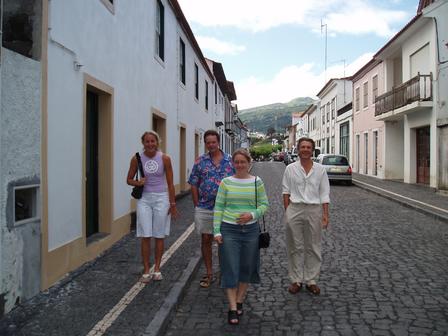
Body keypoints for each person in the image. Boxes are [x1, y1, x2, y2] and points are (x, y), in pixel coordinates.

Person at [213, 149, 269, 325]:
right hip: (229, 230)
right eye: (236, 162)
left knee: (247, 266)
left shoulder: (256, 182)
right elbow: (219, 207)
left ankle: (239, 300)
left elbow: (264, 205)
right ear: (233, 164)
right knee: (230, 267)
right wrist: (217, 231)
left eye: (242, 162)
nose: (239, 165)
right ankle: (231, 308)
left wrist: (251, 215)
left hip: (251, 231)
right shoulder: (226, 182)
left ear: (248, 162)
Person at [126, 131, 178, 283]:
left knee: (159, 234)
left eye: (152, 141)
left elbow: (170, 183)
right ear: (143, 143)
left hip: (162, 198)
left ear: (157, 142)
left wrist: (173, 203)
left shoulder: (165, 158)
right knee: (145, 235)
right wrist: (138, 183)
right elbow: (128, 179)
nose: (150, 144)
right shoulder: (137, 158)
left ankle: (157, 269)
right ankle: (146, 270)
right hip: (144, 199)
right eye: (147, 141)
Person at [282, 137, 330, 295]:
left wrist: (325, 215)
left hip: (314, 209)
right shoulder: (290, 168)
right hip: (294, 209)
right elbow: (286, 192)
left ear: (312, 150)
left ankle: (311, 280)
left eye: (308, 147)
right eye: (302, 147)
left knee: (313, 246)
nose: (305, 149)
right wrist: (287, 212)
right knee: (294, 246)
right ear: (298, 148)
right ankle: (296, 280)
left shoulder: (320, 169)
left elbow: (324, 193)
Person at [188, 130, 234, 288]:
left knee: (225, 242)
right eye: (208, 142)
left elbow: (239, 180)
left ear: (218, 142)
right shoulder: (200, 161)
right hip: (205, 208)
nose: (211, 145)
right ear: (205, 143)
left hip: (226, 209)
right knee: (206, 240)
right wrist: (196, 204)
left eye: (213, 142)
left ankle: (225, 273)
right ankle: (209, 273)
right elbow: (193, 183)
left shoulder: (230, 161)